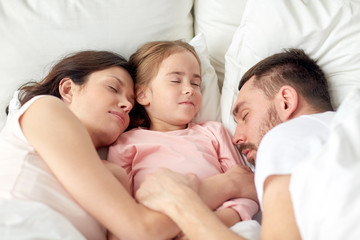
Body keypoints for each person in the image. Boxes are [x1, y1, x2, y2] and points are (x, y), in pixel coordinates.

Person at [0, 50, 257, 240]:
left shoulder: (114, 174)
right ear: (68, 89)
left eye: (131, 101)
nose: (126, 104)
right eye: (113, 87)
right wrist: (229, 183)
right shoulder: (44, 110)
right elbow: (142, 229)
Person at [135, 48, 336, 239]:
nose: (236, 137)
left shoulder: (284, 138)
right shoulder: (341, 126)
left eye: (245, 115)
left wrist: (183, 204)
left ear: (285, 102)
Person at [107, 40, 259, 229]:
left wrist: (220, 220)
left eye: (196, 83)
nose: (189, 89)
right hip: (158, 229)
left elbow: (246, 186)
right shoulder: (126, 143)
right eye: (175, 80)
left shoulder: (213, 132)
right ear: (143, 94)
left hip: (224, 226)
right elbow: (121, 207)